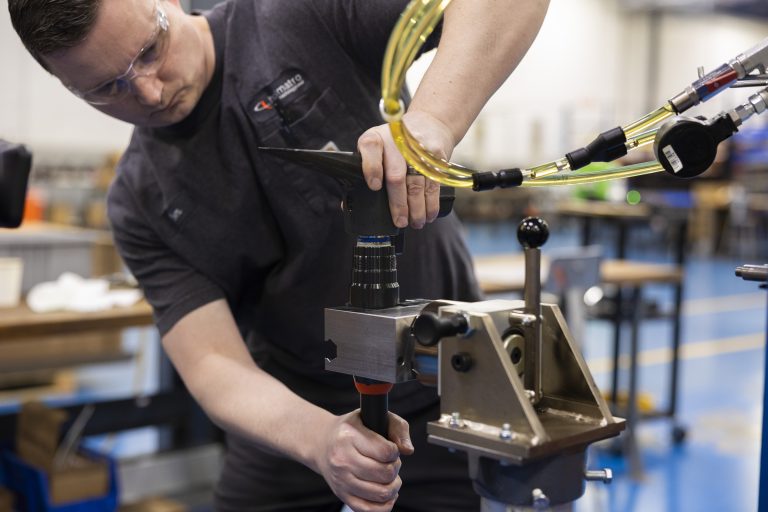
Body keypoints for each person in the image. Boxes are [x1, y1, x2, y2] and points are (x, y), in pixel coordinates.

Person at [8, 0, 549, 510]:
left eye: (150, 50)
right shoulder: (139, 201)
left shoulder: (294, 15)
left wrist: (435, 120)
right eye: (108, 88)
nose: (148, 92)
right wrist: (320, 440)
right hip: (294, 411)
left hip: (444, 386)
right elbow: (213, 363)